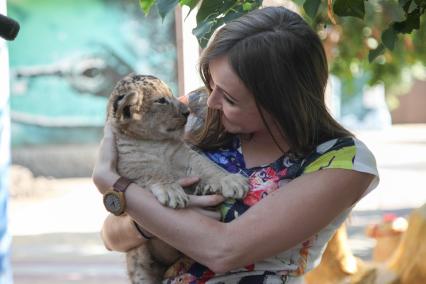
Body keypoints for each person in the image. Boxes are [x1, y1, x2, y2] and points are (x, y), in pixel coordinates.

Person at [93, 6, 379, 284]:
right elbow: (111, 236)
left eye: (229, 98)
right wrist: (142, 218)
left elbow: (223, 250)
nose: (212, 102)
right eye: (211, 85)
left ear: (280, 103)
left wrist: (114, 184)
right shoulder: (192, 115)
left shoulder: (343, 162)